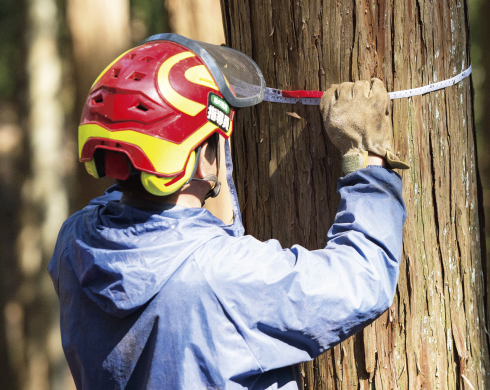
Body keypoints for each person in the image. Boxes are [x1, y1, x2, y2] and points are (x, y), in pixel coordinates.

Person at [48, 33, 409, 390]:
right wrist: (366, 158)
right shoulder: (222, 275)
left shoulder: (74, 245)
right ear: (203, 158)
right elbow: (365, 278)